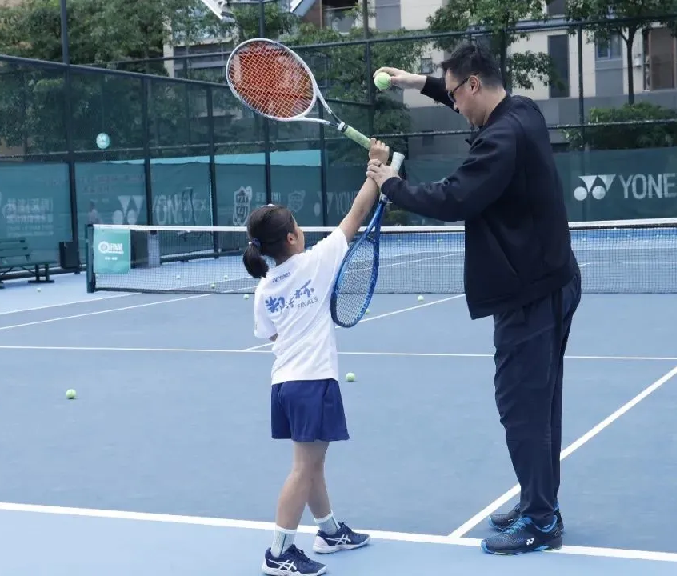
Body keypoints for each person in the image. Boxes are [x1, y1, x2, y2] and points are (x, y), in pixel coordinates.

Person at [367, 42, 581, 556]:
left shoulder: (501, 139)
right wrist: (414, 82)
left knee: (522, 408)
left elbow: (454, 197)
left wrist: (392, 185)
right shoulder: (521, 109)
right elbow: (454, 94)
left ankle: (541, 520)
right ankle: (537, 500)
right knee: (537, 404)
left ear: (475, 85)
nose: (456, 106)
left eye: (456, 94)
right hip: (547, 282)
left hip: (531, 293)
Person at [246, 139, 392, 576]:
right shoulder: (317, 262)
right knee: (304, 467)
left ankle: (328, 531)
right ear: (292, 237)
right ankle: (278, 551)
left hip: (284, 386)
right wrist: (376, 166)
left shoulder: (263, 288)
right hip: (312, 382)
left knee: (313, 463)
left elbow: (271, 334)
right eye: (297, 224)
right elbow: (357, 213)